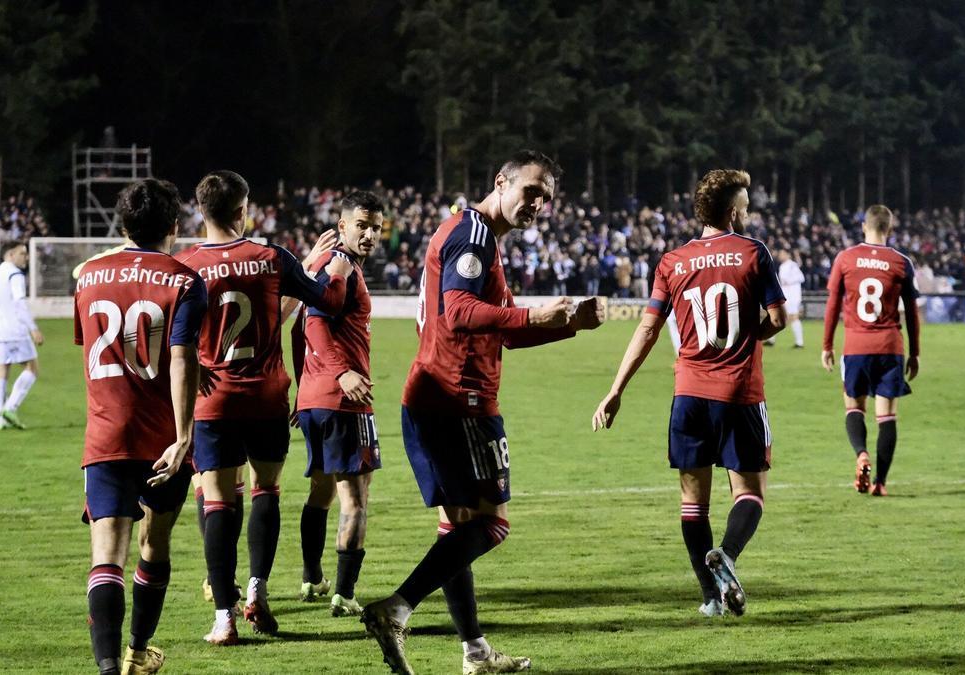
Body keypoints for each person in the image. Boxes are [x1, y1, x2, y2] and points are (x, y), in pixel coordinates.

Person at [361, 150, 604, 675]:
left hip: (432, 398)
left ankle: (475, 653)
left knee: (458, 530)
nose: (538, 204)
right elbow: (461, 310)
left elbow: (504, 334)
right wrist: (539, 311)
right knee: (491, 526)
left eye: (546, 198)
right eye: (532, 190)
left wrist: (570, 325)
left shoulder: (479, 237)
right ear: (502, 181)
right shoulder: (472, 234)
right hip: (459, 401)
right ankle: (397, 609)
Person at [592, 169, 786, 618]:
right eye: (746, 203)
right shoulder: (753, 252)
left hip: (688, 396)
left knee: (692, 501)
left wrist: (615, 389)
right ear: (734, 211)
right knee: (750, 493)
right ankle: (729, 557)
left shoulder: (671, 262)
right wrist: (746, 337)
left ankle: (710, 598)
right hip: (739, 394)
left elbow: (648, 327)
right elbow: (777, 318)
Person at [175, 171, 353, 644]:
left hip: (213, 401)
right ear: (242, 210)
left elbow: (175, 342)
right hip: (267, 397)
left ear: (201, 211)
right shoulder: (272, 258)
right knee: (265, 491)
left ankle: (223, 616)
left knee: (216, 501)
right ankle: (257, 588)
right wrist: (333, 266)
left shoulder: (185, 265)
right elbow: (329, 301)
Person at [74, 179, 206, 675]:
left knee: (107, 554)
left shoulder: (87, 277)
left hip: (106, 433)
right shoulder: (185, 280)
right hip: (160, 439)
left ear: (123, 224)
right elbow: (179, 356)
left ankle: (109, 668)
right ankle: (136, 651)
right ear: (174, 226)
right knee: (155, 542)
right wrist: (184, 436)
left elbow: (96, 350)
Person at [293, 191, 384, 619]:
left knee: (322, 491)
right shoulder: (340, 268)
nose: (369, 234)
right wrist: (342, 373)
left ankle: (313, 579)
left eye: (376, 227)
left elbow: (298, 328)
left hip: (314, 399)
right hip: (344, 400)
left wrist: (301, 389)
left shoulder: (316, 265)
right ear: (342, 226)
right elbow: (314, 324)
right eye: (361, 225)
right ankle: (345, 594)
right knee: (356, 499)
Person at [821, 204, 920, 497]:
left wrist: (826, 345)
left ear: (864, 226)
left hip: (856, 346)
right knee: (886, 416)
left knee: (854, 407)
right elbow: (912, 313)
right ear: (889, 229)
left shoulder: (845, 258)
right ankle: (881, 483)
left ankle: (861, 454)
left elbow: (832, 306)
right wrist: (915, 353)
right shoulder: (901, 262)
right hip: (890, 347)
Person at [0, 241, 43, 429]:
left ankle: (1, 420)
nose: (25, 257)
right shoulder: (14, 273)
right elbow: (19, 303)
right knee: (32, 368)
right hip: (13, 329)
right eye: (22, 253)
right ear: (10, 255)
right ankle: (10, 408)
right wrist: (33, 328)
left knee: (1, 372)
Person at [774, 249, 806, 348]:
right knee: (779, 316)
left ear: (788, 255)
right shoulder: (786, 265)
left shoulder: (791, 265)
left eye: (782, 254)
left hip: (791, 296)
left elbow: (801, 278)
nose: (780, 256)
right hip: (788, 295)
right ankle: (771, 339)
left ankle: (799, 342)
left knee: (791, 317)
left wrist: (788, 281)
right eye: (780, 254)